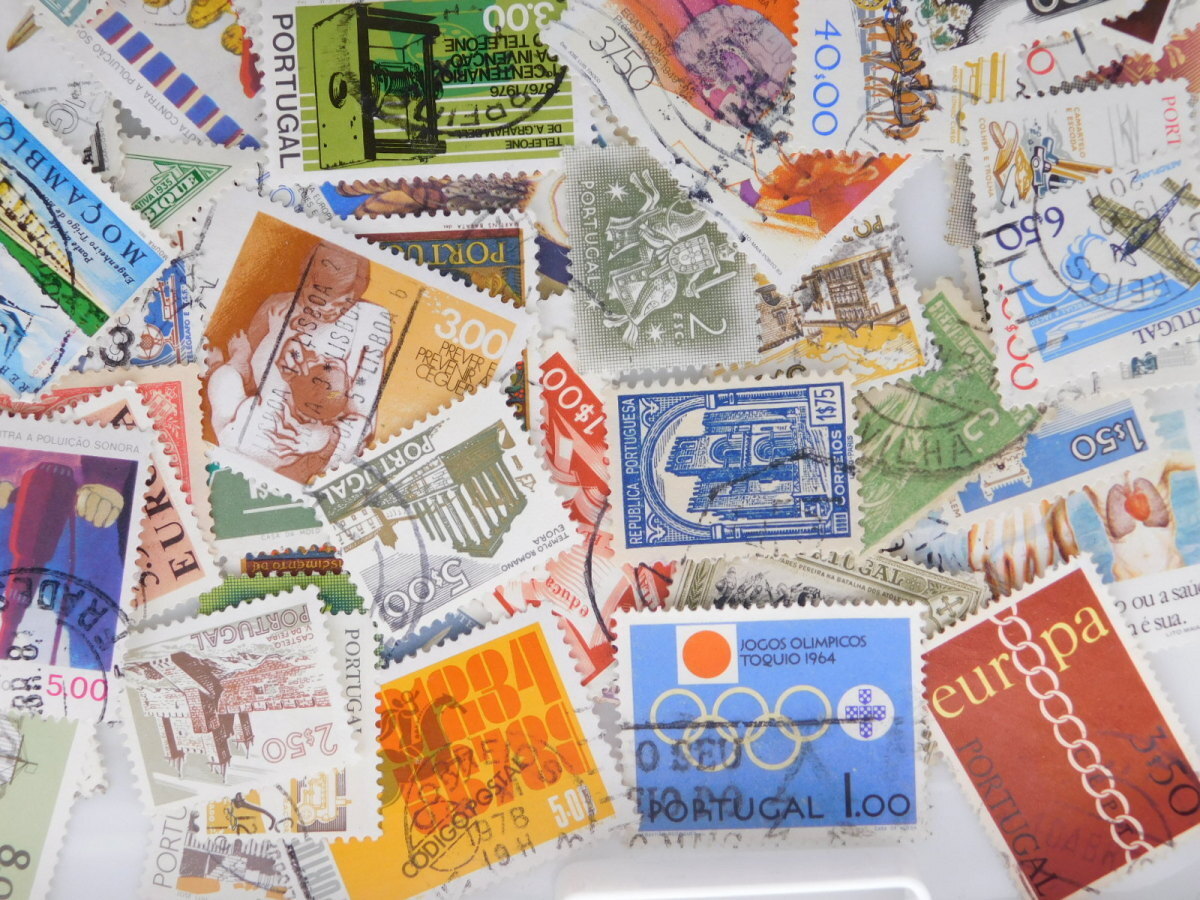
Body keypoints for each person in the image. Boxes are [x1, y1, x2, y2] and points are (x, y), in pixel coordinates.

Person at [207, 243, 392, 483]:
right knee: (225, 381)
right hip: (250, 427)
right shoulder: (276, 306)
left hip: (300, 451)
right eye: (315, 291)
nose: (322, 306)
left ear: (355, 294)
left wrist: (316, 445)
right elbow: (246, 379)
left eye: (340, 300)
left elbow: (361, 422)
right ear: (304, 277)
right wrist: (237, 364)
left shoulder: (371, 324)